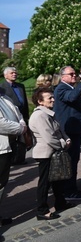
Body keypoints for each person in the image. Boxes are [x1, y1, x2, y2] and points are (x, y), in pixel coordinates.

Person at [29, 87, 74, 220]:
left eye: (52, 97)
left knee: (57, 180)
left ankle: (60, 202)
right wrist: (64, 144)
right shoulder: (40, 115)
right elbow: (49, 137)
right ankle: (42, 210)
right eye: (50, 98)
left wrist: (66, 138)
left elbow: (58, 130)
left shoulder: (47, 113)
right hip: (45, 154)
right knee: (45, 183)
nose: (53, 99)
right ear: (40, 101)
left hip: (53, 151)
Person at [53, 66, 81, 201]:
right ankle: (69, 191)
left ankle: (68, 189)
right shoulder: (62, 88)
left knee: (72, 161)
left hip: (74, 131)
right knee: (70, 162)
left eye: (75, 73)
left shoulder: (70, 87)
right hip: (69, 132)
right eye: (71, 74)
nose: (75, 75)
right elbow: (72, 98)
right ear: (63, 77)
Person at [0, 92, 27, 226]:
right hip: (0, 147)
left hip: (8, 146)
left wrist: (21, 123)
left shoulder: (5, 97)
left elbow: (18, 114)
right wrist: (20, 128)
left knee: (2, 182)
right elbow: (1, 124)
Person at [0, 67, 31, 164]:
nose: (14, 74)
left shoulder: (20, 86)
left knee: (21, 142)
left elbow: (24, 101)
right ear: (5, 75)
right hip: (9, 120)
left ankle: (19, 158)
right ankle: (13, 159)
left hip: (21, 117)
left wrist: (25, 118)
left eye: (15, 72)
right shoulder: (2, 87)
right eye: (12, 73)